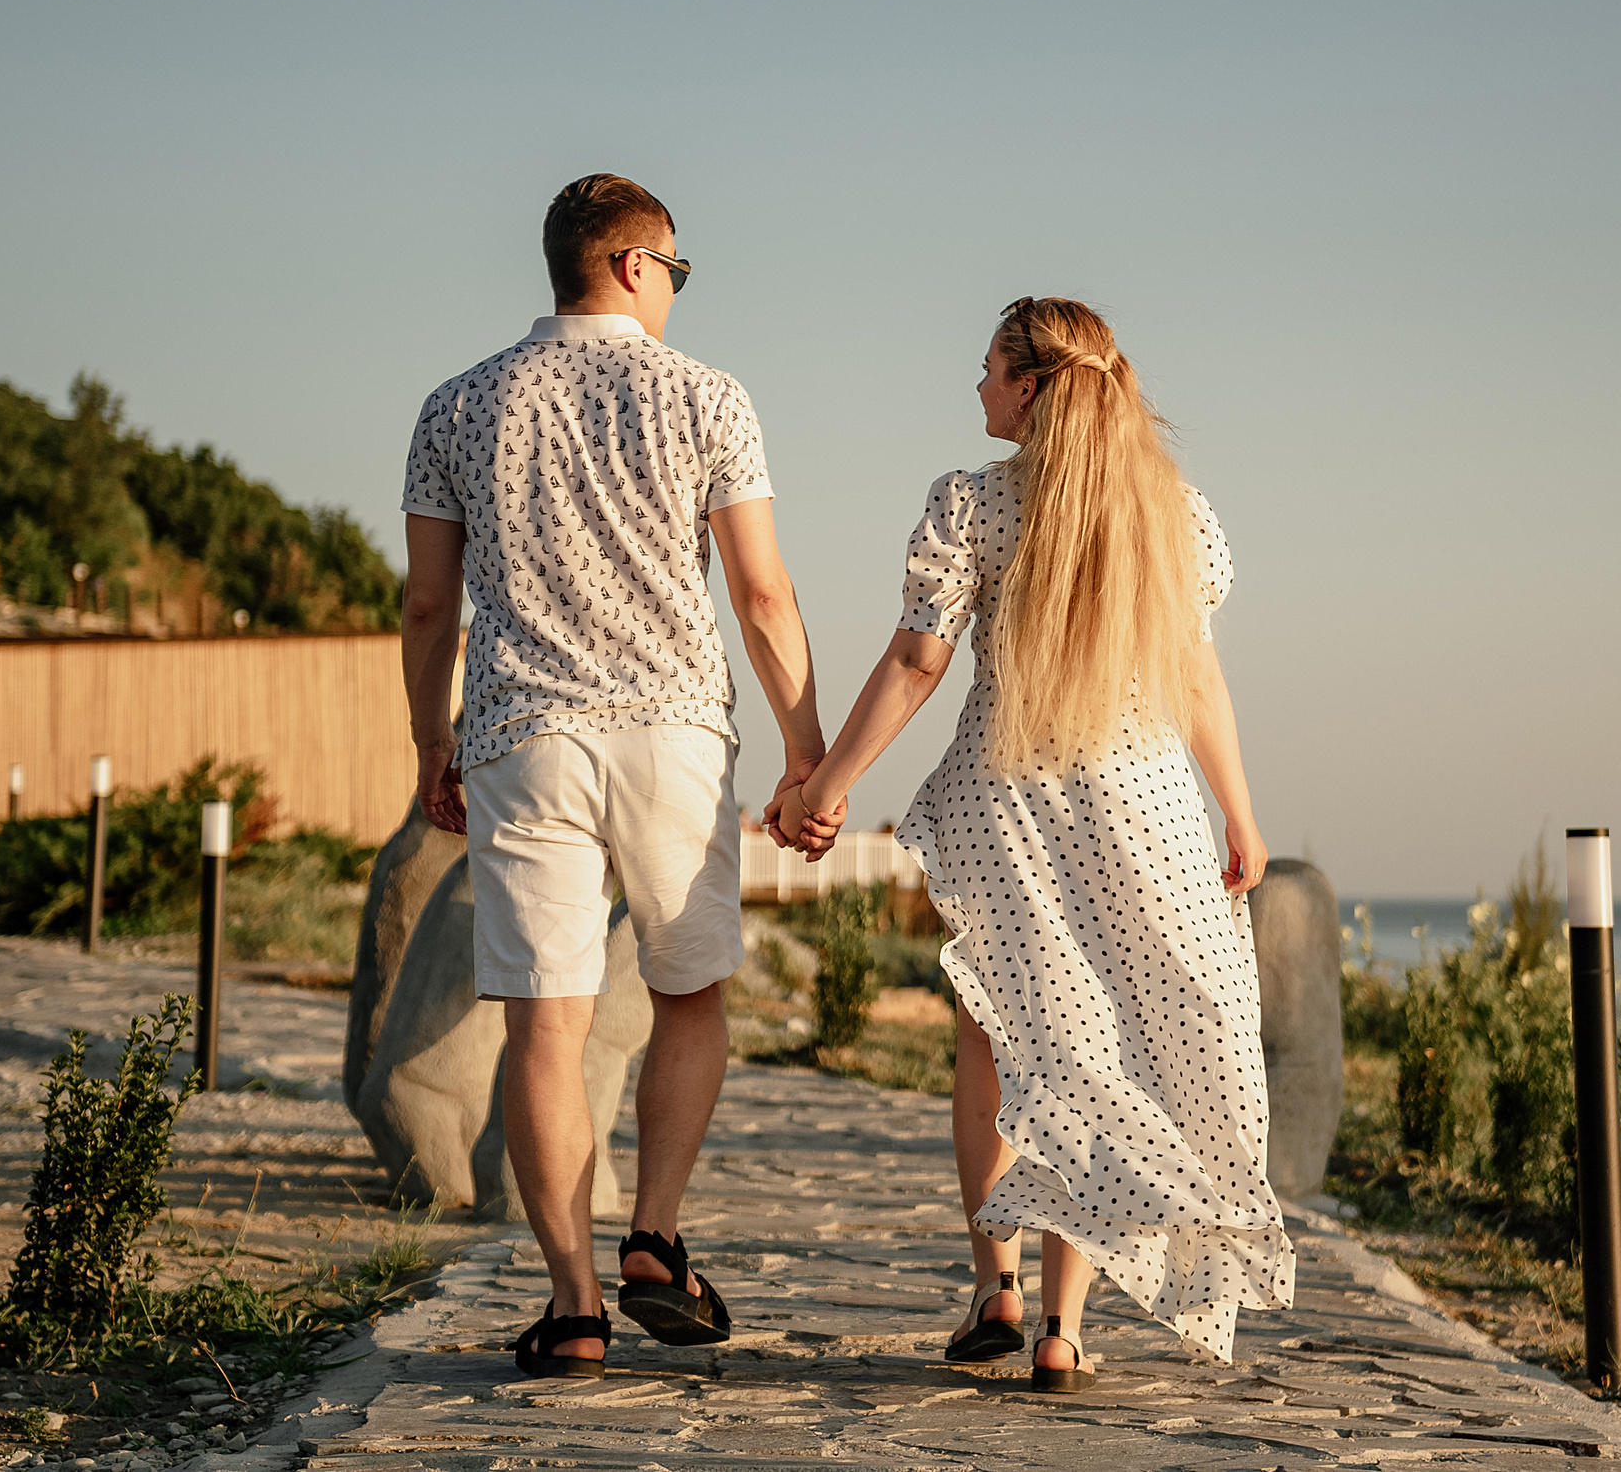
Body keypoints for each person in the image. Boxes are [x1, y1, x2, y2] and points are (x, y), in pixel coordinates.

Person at [778, 295, 1292, 1390]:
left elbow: (918, 664)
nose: (973, 386)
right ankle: (1062, 1329)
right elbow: (1197, 677)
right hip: (1144, 813)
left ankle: (993, 1286)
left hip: (1009, 806)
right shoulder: (1171, 514)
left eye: (985, 368)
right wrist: (1240, 816)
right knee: (1101, 1059)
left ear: (1026, 388)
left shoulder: (971, 504)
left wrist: (828, 784)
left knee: (1005, 1045)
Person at [398, 173, 830, 1378]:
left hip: (522, 736)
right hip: (676, 735)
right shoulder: (707, 396)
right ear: (637, 265)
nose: (677, 293)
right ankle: (654, 1235)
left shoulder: (456, 405)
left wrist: (431, 745)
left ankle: (575, 1305)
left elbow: (431, 603)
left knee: (547, 1022)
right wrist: (807, 752)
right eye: (678, 271)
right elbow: (759, 593)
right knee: (689, 995)